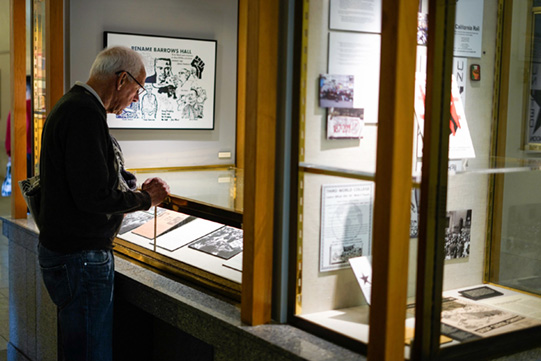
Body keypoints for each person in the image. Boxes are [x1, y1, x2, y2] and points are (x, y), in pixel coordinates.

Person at [37, 46, 170, 361]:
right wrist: (145, 199)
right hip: (81, 257)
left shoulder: (72, 105)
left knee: (78, 346)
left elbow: (87, 177)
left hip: (64, 252)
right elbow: (93, 197)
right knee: (89, 352)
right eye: (138, 88)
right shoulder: (84, 113)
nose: (136, 99)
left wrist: (128, 182)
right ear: (122, 79)